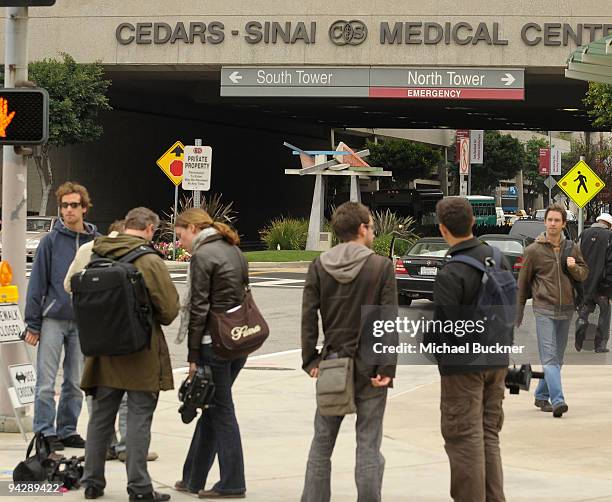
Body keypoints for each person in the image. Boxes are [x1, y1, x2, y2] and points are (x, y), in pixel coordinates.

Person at [300, 201, 397, 502]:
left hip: (331, 363)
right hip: (370, 367)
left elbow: (308, 315)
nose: (373, 231)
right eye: (370, 225)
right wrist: (386, 368)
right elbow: (387, 322)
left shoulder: (319, 266)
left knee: (322, 443)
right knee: (367, 445)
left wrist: (310, 359)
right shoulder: (381, 266)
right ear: (361, 229)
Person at [80, 207, 179, 501]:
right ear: (149, 228)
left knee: (100, 419)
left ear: (126, 226)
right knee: (138, 420)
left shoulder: (96, 253)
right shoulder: (148, 260)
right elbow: (169, 309)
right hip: (140, 352)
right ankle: (138, 488)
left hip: (102, 352)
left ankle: (92, 483)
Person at [425, 197, 510, 502]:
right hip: (497, 361)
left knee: (464, 438)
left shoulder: (451, 271)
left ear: (442, 229)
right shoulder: (498, 258)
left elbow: (446, 327)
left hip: (463, 369)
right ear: (473, 222)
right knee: (488, 436)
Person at [63, 219, 159, 463]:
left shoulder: (88, 250)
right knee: (128, 392)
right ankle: (127, 446)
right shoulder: (134, 254)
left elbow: (68, 284)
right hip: (125, 332)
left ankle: (105, 446)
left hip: (93, 332)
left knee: (95, 390)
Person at [173, 208, 248, 499]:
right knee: (213, 409)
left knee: (221, 411)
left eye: (180, 236)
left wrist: (193, 356)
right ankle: (192, 477)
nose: (180, 243)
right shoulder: (233, 249)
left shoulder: (203, 256)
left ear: (192, 228)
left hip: (213, 343)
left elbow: (198, 308)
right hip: (237, 340)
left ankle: (232, 482)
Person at [24, 181, 98, 452]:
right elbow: (37, 284)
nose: (69, 210)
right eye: (64, 205)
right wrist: (32, 323)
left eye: (74, 205)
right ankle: (45, 431)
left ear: (84, 208)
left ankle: (67, 430)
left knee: (75, 382)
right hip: (53, 319)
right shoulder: (50, 242)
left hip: (84, 322)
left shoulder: (96, 243)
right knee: (45, 381)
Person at [517, 204, 588, 417]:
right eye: (550, 220)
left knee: (558, 359)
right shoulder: (533, 251)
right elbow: (522, 283)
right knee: (549, 358)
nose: (553, 224)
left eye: (557, 220)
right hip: (543, 309)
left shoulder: (572, 248)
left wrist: (574, 267)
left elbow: (584, 274)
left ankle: (541, 395)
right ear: (545, 222)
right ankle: (558, 400)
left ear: (564, 224)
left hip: (566, 309)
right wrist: (518, 311)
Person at [576, 213, 612, 353]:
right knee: (605, 313)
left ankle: (580, 331)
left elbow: (575, 255)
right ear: (609, 225)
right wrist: (608, 285)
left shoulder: (583, 234)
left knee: (585, 309)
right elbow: (610, 264)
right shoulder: (609, 236)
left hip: (584, 283)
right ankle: (600, 345)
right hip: (602, 285)